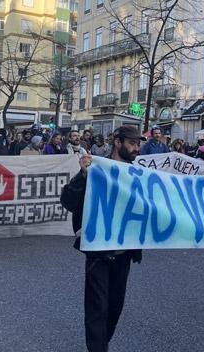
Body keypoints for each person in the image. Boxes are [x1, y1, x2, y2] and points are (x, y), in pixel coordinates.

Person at [61, 126, 144, 352]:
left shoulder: (138, 175)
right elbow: (68, 202)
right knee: (97, 308)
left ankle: (100, 344)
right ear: (118, 142)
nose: (137, 148)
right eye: (132, 143)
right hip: (99, 252)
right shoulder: (96, 168)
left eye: (139, 144)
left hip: (124, 253)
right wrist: (83, 176)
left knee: (115, 307)